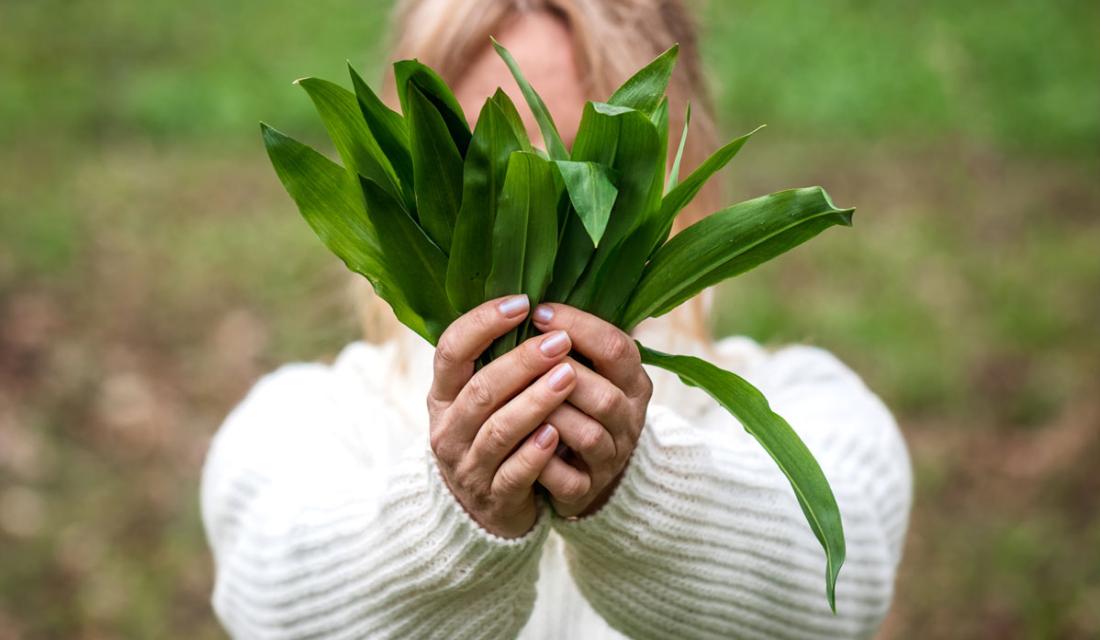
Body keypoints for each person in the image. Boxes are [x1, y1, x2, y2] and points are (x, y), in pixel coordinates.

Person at [200, 1, 913, 638]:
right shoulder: (305, 422)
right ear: (401, 180)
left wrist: (640, 486)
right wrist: (450, 516)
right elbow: (270, 588)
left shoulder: (809, 403)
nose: (531, 228)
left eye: (584, 171)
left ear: (677, 169)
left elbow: (842, 590)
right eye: (483, 173)